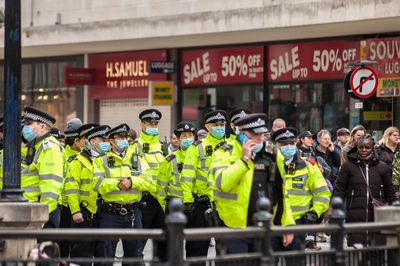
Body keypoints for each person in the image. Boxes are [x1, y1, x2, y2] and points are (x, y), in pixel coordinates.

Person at [210, 113, 295, 253]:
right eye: (254, 135)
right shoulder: (223, 153)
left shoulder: (272, 153)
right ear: (241, 133)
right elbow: (222, 183)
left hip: (265, 226)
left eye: (262, 134)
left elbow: (282, 192)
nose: (260, 138)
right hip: (234, 228)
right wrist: (243, 161)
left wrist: (287, 225)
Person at [92, 123, 154, 264]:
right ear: (111, 141)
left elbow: (149, 181)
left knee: (134, 256)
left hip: (133, 213)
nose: (124, 140)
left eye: (125, 137)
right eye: (120, 137)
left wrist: (131, 182)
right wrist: (117, 184)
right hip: (110, 214)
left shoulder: (138, 159)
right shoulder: (101, 160)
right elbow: (97, 184)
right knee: (105, 256)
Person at [272, 128, 331, 251]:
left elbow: (323, 193)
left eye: (291, 143)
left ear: (296, 144)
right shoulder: (269, 166)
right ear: (276, 146)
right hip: (273, 223)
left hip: (298, 223)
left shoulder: (309, 166)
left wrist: (314, 213)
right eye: (284, 144)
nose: (288, 147)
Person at [334, 135, 396, 247]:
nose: (363, 150)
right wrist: (334, 209)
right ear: (357, 147)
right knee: (358, 250)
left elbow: (389, 191)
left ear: (373, 148)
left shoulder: (382, 167)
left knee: (376, 250)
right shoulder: (348, 166)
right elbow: (340, 189)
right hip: (355, 214)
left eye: (367, 148)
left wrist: (394, 209)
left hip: (377, 214)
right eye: (361, 147)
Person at [181, 110, 228, 257]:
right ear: (207, 127)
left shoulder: (232, 146)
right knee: (197, 249)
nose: (220, 127)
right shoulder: (196, 147)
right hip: (201, 205)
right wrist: (188, 203)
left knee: (226, 250)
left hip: (225, 204)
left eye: (222, 124)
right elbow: (187, 176)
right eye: (216, 125)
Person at [64, 125, 111, 263]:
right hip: (84, 213)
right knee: (81, 253)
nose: (106, 143)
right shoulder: (77, 161)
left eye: (107, 140)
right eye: (102, 140)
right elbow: (71, 188)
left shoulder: (110, 160)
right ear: (92, 142)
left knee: (104, 254)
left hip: (105, 213)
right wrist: (75, 211)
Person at [130, 109, 166, 260]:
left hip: (162, 201)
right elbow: (136, 174)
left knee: (164, 246)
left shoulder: (163, 147)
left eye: (155, 123)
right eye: (150, 123)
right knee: (138, 246)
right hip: (145, 201)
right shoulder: (135, 147)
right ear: (142, 125)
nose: (153, 126)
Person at [21, 106, 65, 228]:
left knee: (43, 246)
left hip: (44, 212)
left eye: (29, 124)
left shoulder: (49, 148)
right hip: (35, 209)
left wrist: (43, 217)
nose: (25, 127)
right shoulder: (36, 145)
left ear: (42, 127)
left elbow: (51, 185)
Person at [157, 122, 196, 211]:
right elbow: (161, 188)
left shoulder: (200, 158)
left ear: (194, 138)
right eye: (184, 136)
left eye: (190, 135)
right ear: (178, 139)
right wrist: (167, 209)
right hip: (175, 206)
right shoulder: (169, 160)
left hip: (195, 206)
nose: (187, 139)